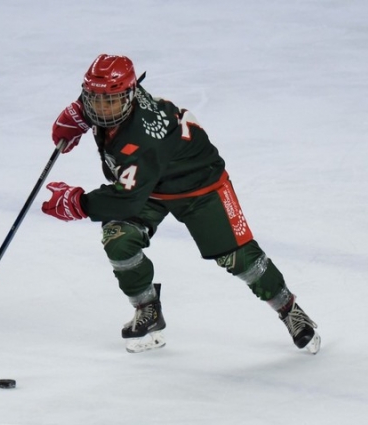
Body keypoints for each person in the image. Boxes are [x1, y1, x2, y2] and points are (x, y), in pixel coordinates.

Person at [41, 54, 321, 354]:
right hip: (149, 187)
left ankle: (288, 308)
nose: (102, 109)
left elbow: (125, 199)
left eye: (110, 101)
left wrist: (78, 203)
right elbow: (101, 102)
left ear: (131, 94)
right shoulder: (119, 100)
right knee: (119, 241)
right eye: (94, 100)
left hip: (200, 188)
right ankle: (147, 310)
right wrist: (78, 113)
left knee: (238, 258)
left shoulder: (142, 138)